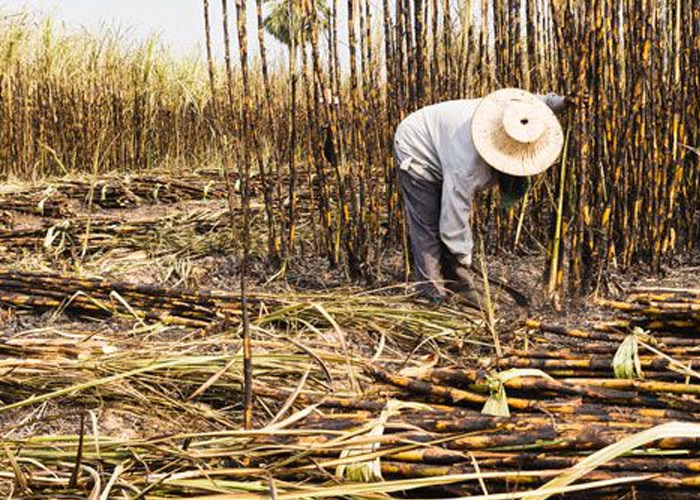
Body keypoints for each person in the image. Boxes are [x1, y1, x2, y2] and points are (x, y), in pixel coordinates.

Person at [394, 88, 569, 305]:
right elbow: (453, 219)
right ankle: (433, 291)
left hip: (446, 142)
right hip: (417, 145)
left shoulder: (512, 112)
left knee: (447, 231)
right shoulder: (467, 166)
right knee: (428, 223)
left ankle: (458, 285)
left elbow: (535, 104)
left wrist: (560, 102)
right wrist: (464, 257)